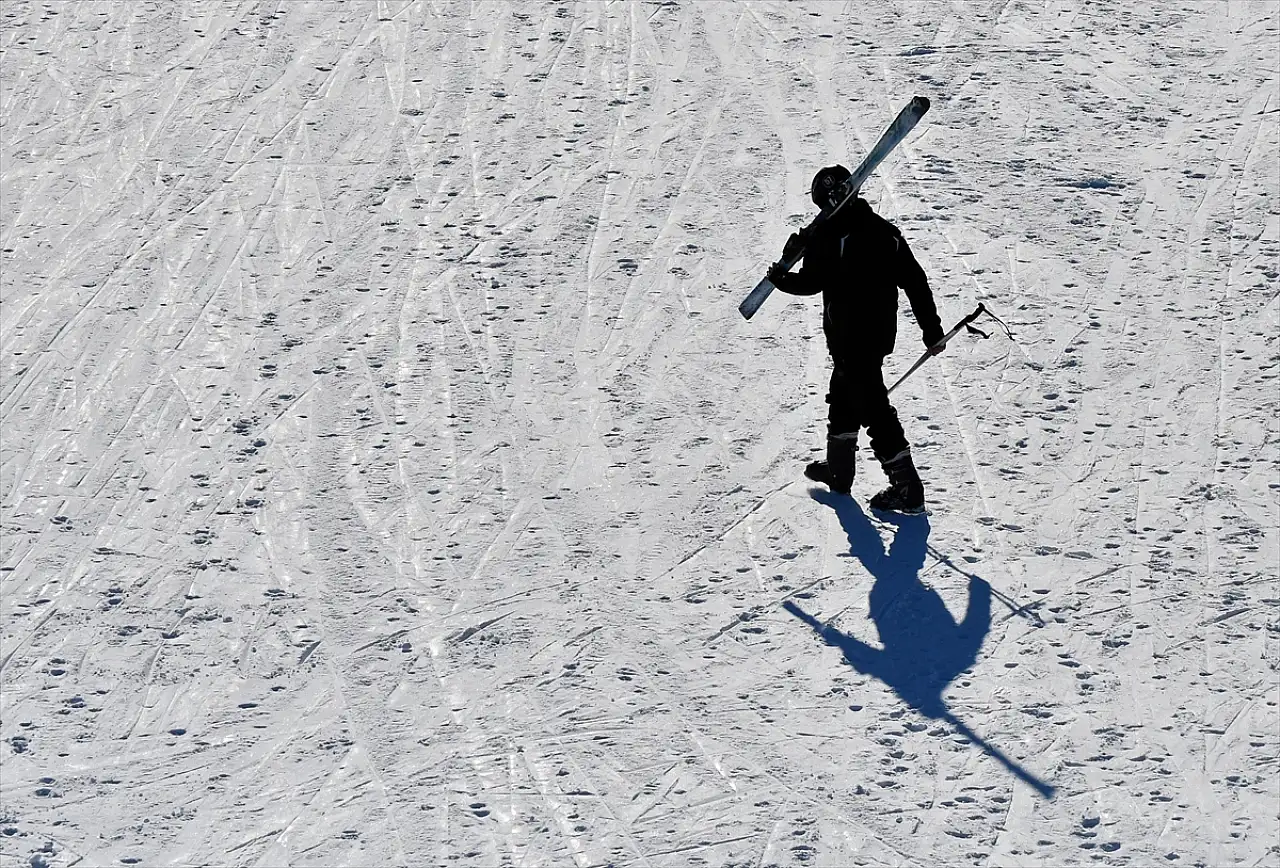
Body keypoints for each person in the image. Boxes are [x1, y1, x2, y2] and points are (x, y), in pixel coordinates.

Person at [767, 164, 945, 514]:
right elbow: (915, 281)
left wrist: (781, 278)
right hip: (876, 337)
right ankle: (839, 471)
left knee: (875, 410)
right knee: (843, 397)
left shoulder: (828, 236)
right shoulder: (885, 232)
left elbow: (811, 282)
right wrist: (931, 330)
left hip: (850, 338)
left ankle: (908, 489)